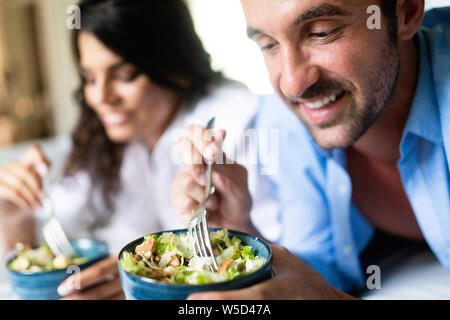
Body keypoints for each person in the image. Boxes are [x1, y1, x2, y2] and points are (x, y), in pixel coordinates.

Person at [171, 0, 450, 299]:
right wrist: (240, 235)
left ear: (405, 12)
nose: (292, 84)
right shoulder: (288, 120)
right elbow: (318, 271)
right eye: (268, 45)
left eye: (322, 33)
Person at [0, 0, 278, 300]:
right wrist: (16, 217)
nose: (101, 97)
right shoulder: (107, 137)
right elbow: (66, 238)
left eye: (125, 75)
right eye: (89, 79)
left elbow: (280, 265)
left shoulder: (236, 121)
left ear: (174, 66)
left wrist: (146, 280)